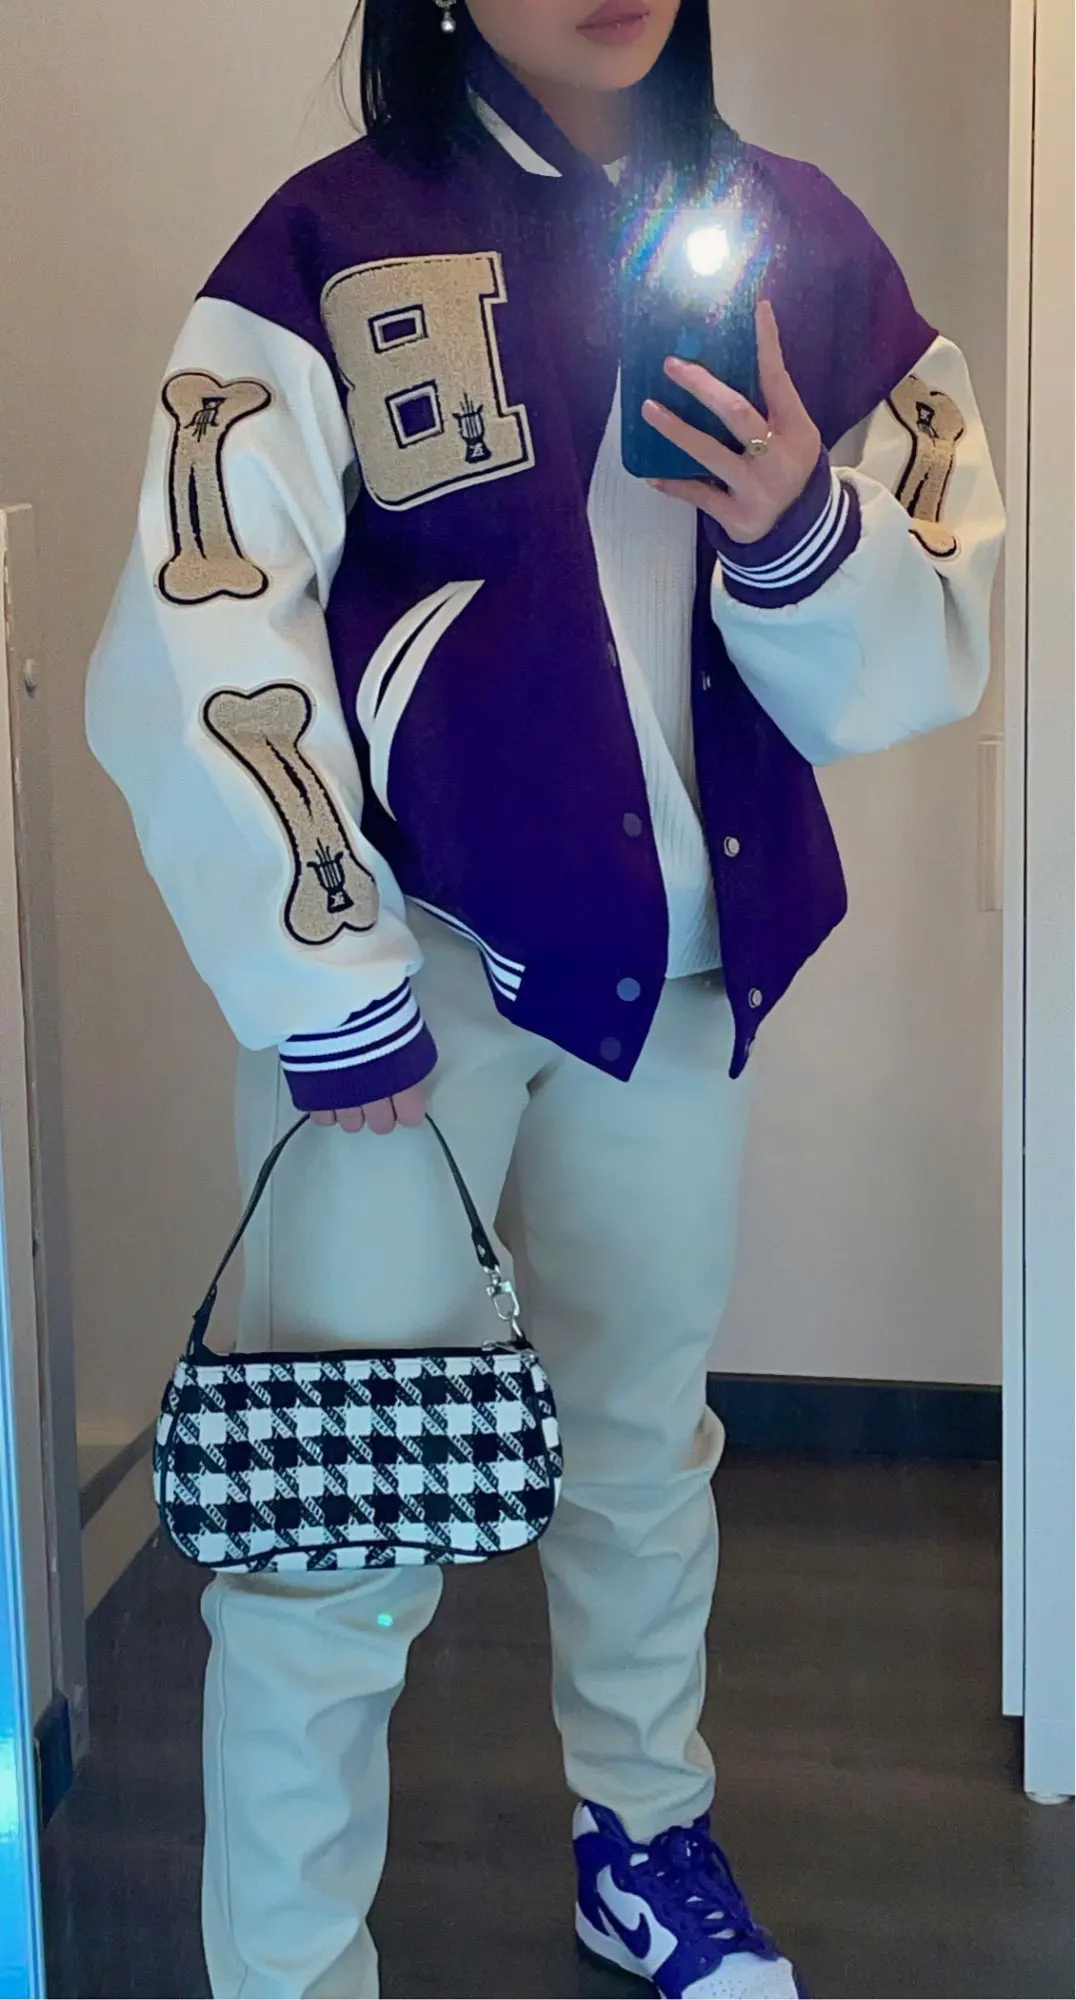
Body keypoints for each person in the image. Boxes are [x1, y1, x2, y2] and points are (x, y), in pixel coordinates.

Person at [86, 2, 1004, 1994]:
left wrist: (799, 527)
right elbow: (199, 608)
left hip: (679, 964)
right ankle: (289, 1965)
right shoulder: (325, 246)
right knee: (335, 1502)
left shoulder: (809, 246)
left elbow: (931, 631)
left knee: (640, 1444)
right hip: (404, 976)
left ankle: (644, 1840)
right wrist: (328, 983)